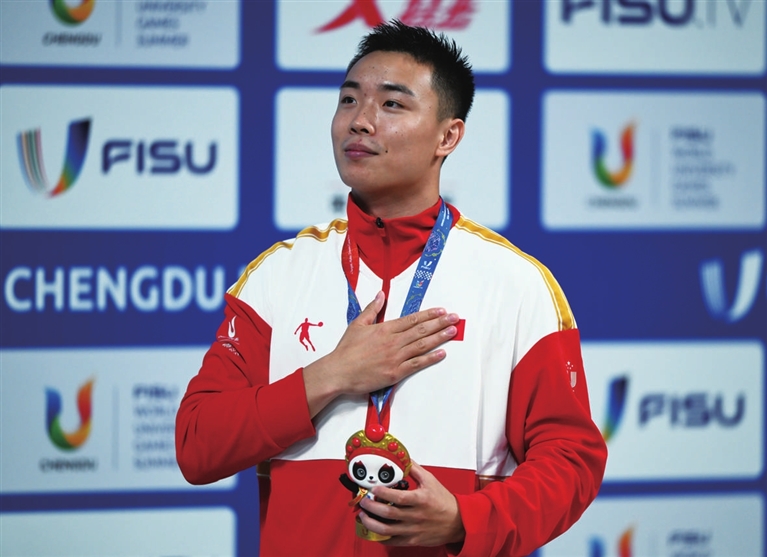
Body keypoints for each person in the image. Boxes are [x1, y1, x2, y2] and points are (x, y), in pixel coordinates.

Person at [176, 20, 607, 557]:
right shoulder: (278, 275)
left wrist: (465, 520)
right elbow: (197, 445)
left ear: (448, 136)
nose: (359, 121)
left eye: (392, 104)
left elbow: (572, 461)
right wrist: (330, 376)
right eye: (349, 100)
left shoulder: (515, 283)